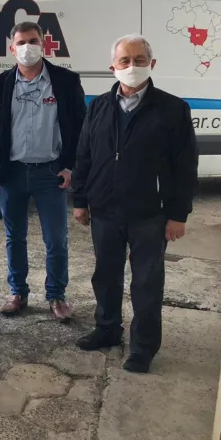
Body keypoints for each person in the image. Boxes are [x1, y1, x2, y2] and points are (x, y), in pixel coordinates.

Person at [72, 35, 198, 373]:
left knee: (146, 282)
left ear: (152, 64)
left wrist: (177, 215)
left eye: (140, 60)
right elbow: (84, 156)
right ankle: (107, 329)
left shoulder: (173, 109)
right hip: (105, 211)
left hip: (150, 214)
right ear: (112, 67)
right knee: (106, 276)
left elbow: (185, 167)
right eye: (125, 61)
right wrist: (80, 200)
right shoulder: (98, 106)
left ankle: (143, 348)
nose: (132, 67)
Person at [0, 21, 86, 321]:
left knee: (56, 239)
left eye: (33, 40)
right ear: (12, 49)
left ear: (44, 44)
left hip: (50, 174)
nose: (28, 47)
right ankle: (18, 293)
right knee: (15, 237)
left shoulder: (65, 81)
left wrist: (70, 167)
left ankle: (56, 295)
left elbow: (80, 128)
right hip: (11, 173)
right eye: (21, 42)